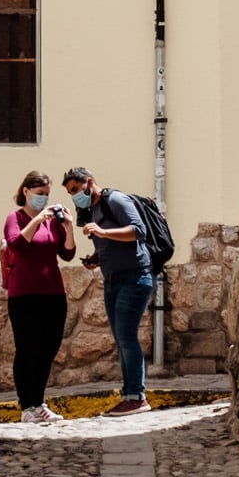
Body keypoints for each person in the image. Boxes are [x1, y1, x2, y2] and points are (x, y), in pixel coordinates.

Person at [61, 166, 153, 416]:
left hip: (135, 278)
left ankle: (136, 397)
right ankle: (129, 394)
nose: (75, 196)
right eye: (70, 192)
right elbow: (112, 245)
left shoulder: (115, 200)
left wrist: (102, 232)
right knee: (121, 339)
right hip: (113, 280)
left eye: (77, 190)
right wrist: (95, 258)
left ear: (89, 182)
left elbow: (138, 231)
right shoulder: (92, 210)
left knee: (127, 337)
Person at [3, 170, 76, 425]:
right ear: (26, 191)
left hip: (52, 292)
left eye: (46, 195)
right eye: (39, 194)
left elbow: (67, 254)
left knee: (48, 348)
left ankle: (39, 401)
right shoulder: (15, 218)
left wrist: (67, 226)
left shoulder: (52, 222)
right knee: (27, 349)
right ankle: (27, 406)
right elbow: (17, 244)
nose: (43, 199)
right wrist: (36, 220)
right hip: (24, 295)